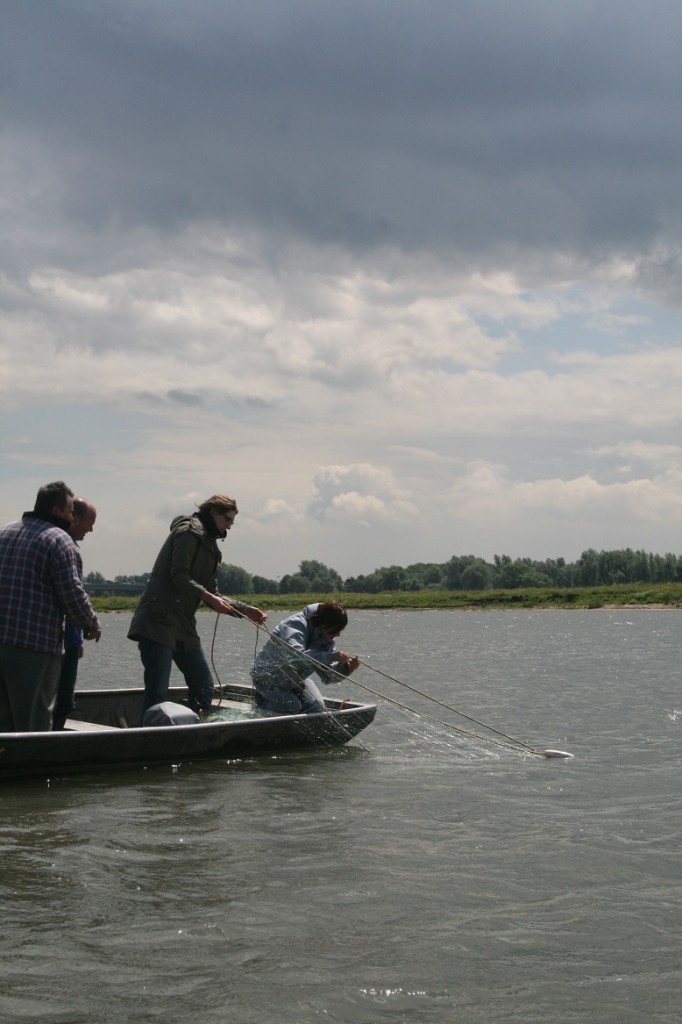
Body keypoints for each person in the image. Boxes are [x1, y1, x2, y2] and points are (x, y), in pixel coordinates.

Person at [127, 493, 266, 719]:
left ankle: (193, 729)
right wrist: (209, 598)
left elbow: (214, 592)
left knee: (203, 685)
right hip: (157, 621)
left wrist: (245, 609)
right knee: (157, 692)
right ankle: (148, 739)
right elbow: (179, 575)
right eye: (227, 520)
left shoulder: (211, 547)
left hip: (183, 625)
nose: (229, 527)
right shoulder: (187, 533)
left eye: (232, 522)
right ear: (213, 512)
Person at [0, 481, 102, 732]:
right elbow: (72, 595)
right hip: (33, 646)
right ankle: (35, 769)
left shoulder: (4, 532)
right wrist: (91, 624)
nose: (72, 517)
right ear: (57, 511)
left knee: (3, 718)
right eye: (69, 512)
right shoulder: (61, 541)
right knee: (33, 717)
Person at [251, 602, 360, 714]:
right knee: (292, 706)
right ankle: (261, 702)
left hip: (295, 680)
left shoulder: (328, 640)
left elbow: (326, 675)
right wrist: (331, 656)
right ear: (323, 623)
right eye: (336, 629)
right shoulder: (294, 624)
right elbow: (296, 656)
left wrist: (346, 668)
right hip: (267, 678)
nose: (338, 635)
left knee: (317, 709)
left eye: (340, 630)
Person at [53, 498, 97, 730]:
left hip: (66, 639)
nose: (91, 528)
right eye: (90, 522)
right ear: (75, 519)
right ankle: (52, 743)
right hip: (62, 642)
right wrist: (88, 627)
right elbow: (71, 597)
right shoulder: (67, 548)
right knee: (61, 699)